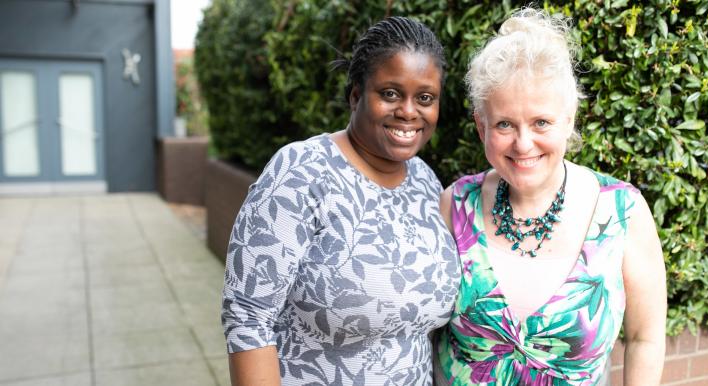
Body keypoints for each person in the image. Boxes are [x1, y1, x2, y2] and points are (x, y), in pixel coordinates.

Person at [222, 16, 461, 386]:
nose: (409, 112)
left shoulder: (426, 182)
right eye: (391, 93)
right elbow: (248, 317)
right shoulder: (302, 171)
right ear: (355, 96)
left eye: (425, 98)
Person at [435, 8, 667, 386]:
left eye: (541, 122)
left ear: (569, 120)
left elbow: (645, 338)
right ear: (481, 127)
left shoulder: (622, 211)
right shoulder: (454, 205)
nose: (523, 144)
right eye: (505, 124)